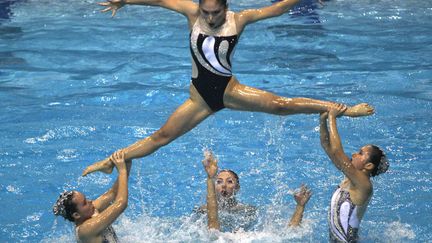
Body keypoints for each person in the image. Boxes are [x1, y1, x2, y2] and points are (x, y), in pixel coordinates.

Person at [83, 0, 374, 176]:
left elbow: (278, 8)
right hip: (200, 98)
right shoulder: (192, 12)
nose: (210, 18)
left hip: (231, 91)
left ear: (226, 6)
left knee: (282, 106)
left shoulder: (239, 19)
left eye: (215, 12)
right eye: (206, 12)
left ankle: (344, 110)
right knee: (161, 137)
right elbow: (159, 0)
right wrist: (126, 2)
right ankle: (111, 162)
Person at [319, 104, 389, 242]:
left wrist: (332, 117)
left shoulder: (364, 185)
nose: (354, 154)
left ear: (368, 165)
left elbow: (338, 152)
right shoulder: (349, 177)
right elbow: (327, 146)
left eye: (360, 153)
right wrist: (322, 120)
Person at [200, 150, 311, 231]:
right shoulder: (202, 211)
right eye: (219, 181)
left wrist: (300, 206)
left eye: (229, 181)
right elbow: (213, 227)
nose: (223, 185)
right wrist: (210, 178)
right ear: (214, 187)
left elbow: (288, 234)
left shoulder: (249, 211)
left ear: (237, 188)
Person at [53, 151, 131, 243]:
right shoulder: (86, 230)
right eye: (85, 203)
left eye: (86, 199)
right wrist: (122, 170)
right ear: (76, 215)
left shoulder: (89, 211)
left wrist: (127, 161)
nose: (90, 201)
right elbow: (121, 203)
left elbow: (113, 193)